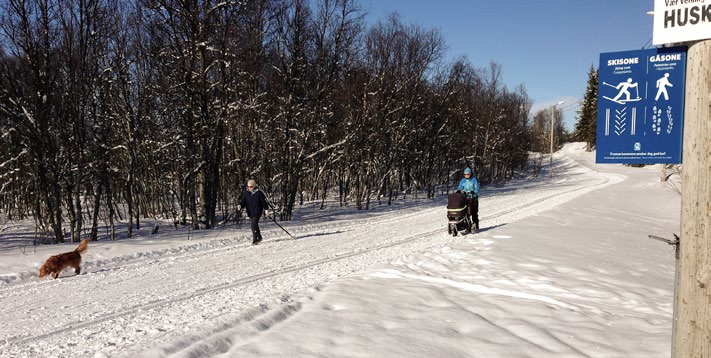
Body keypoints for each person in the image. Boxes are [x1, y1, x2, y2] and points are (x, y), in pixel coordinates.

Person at [238, 179, 269, 245]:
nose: (249, 188)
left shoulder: (259, 193)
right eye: (248, 186)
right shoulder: (246, 194)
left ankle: (255, 239)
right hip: (250, 212)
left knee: (253, 225)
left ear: (254, 186)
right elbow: (243, 202)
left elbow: (264, 202)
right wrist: (240, 205)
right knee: (255, 225)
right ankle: (259, 237)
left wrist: (266, 209)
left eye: (251, 186)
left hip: (257, 211)